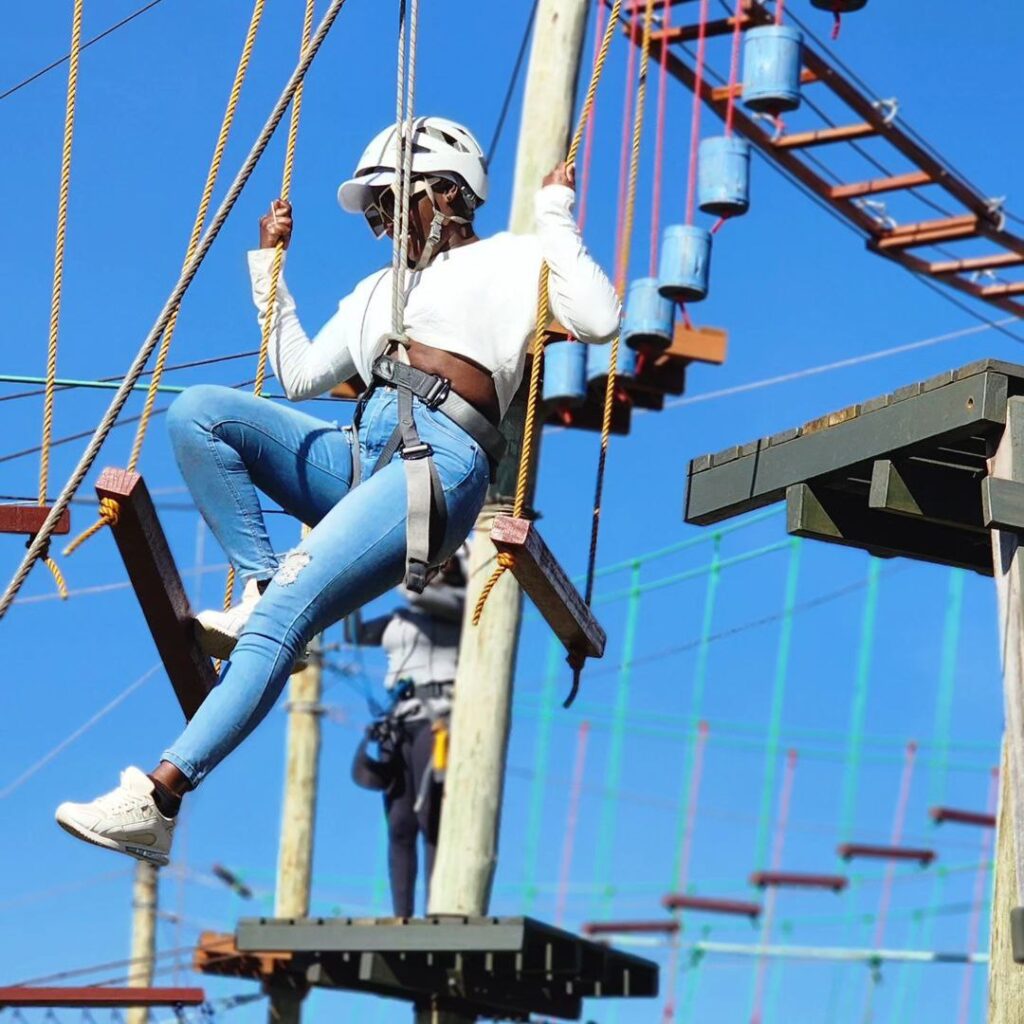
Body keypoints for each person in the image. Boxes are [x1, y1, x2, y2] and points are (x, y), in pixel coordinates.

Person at [55, 116, 620, 866]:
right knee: (198, 414)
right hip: (364, 454)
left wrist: (553, 217)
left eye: (392, 204)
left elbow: (601, 317)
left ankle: (159, 801)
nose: (382, 224)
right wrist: (270, 270)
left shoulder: (517, 260)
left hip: (438, 467)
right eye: (377, 212)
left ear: (448, 195)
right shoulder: (378, 290)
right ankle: (262, 583)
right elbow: (299, 374)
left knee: (290, 612)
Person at [348, 551, 465, 918]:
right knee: (400, 823)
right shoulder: (398, 620)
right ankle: (402, 916)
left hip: (439, 720)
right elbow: (356, 632)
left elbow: (418, 593)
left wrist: (390, 564)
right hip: (400, 723)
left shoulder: (462, 607)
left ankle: (436, 911)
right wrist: (350, 590)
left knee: (431, 816)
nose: (438, 573)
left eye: (444, 566)